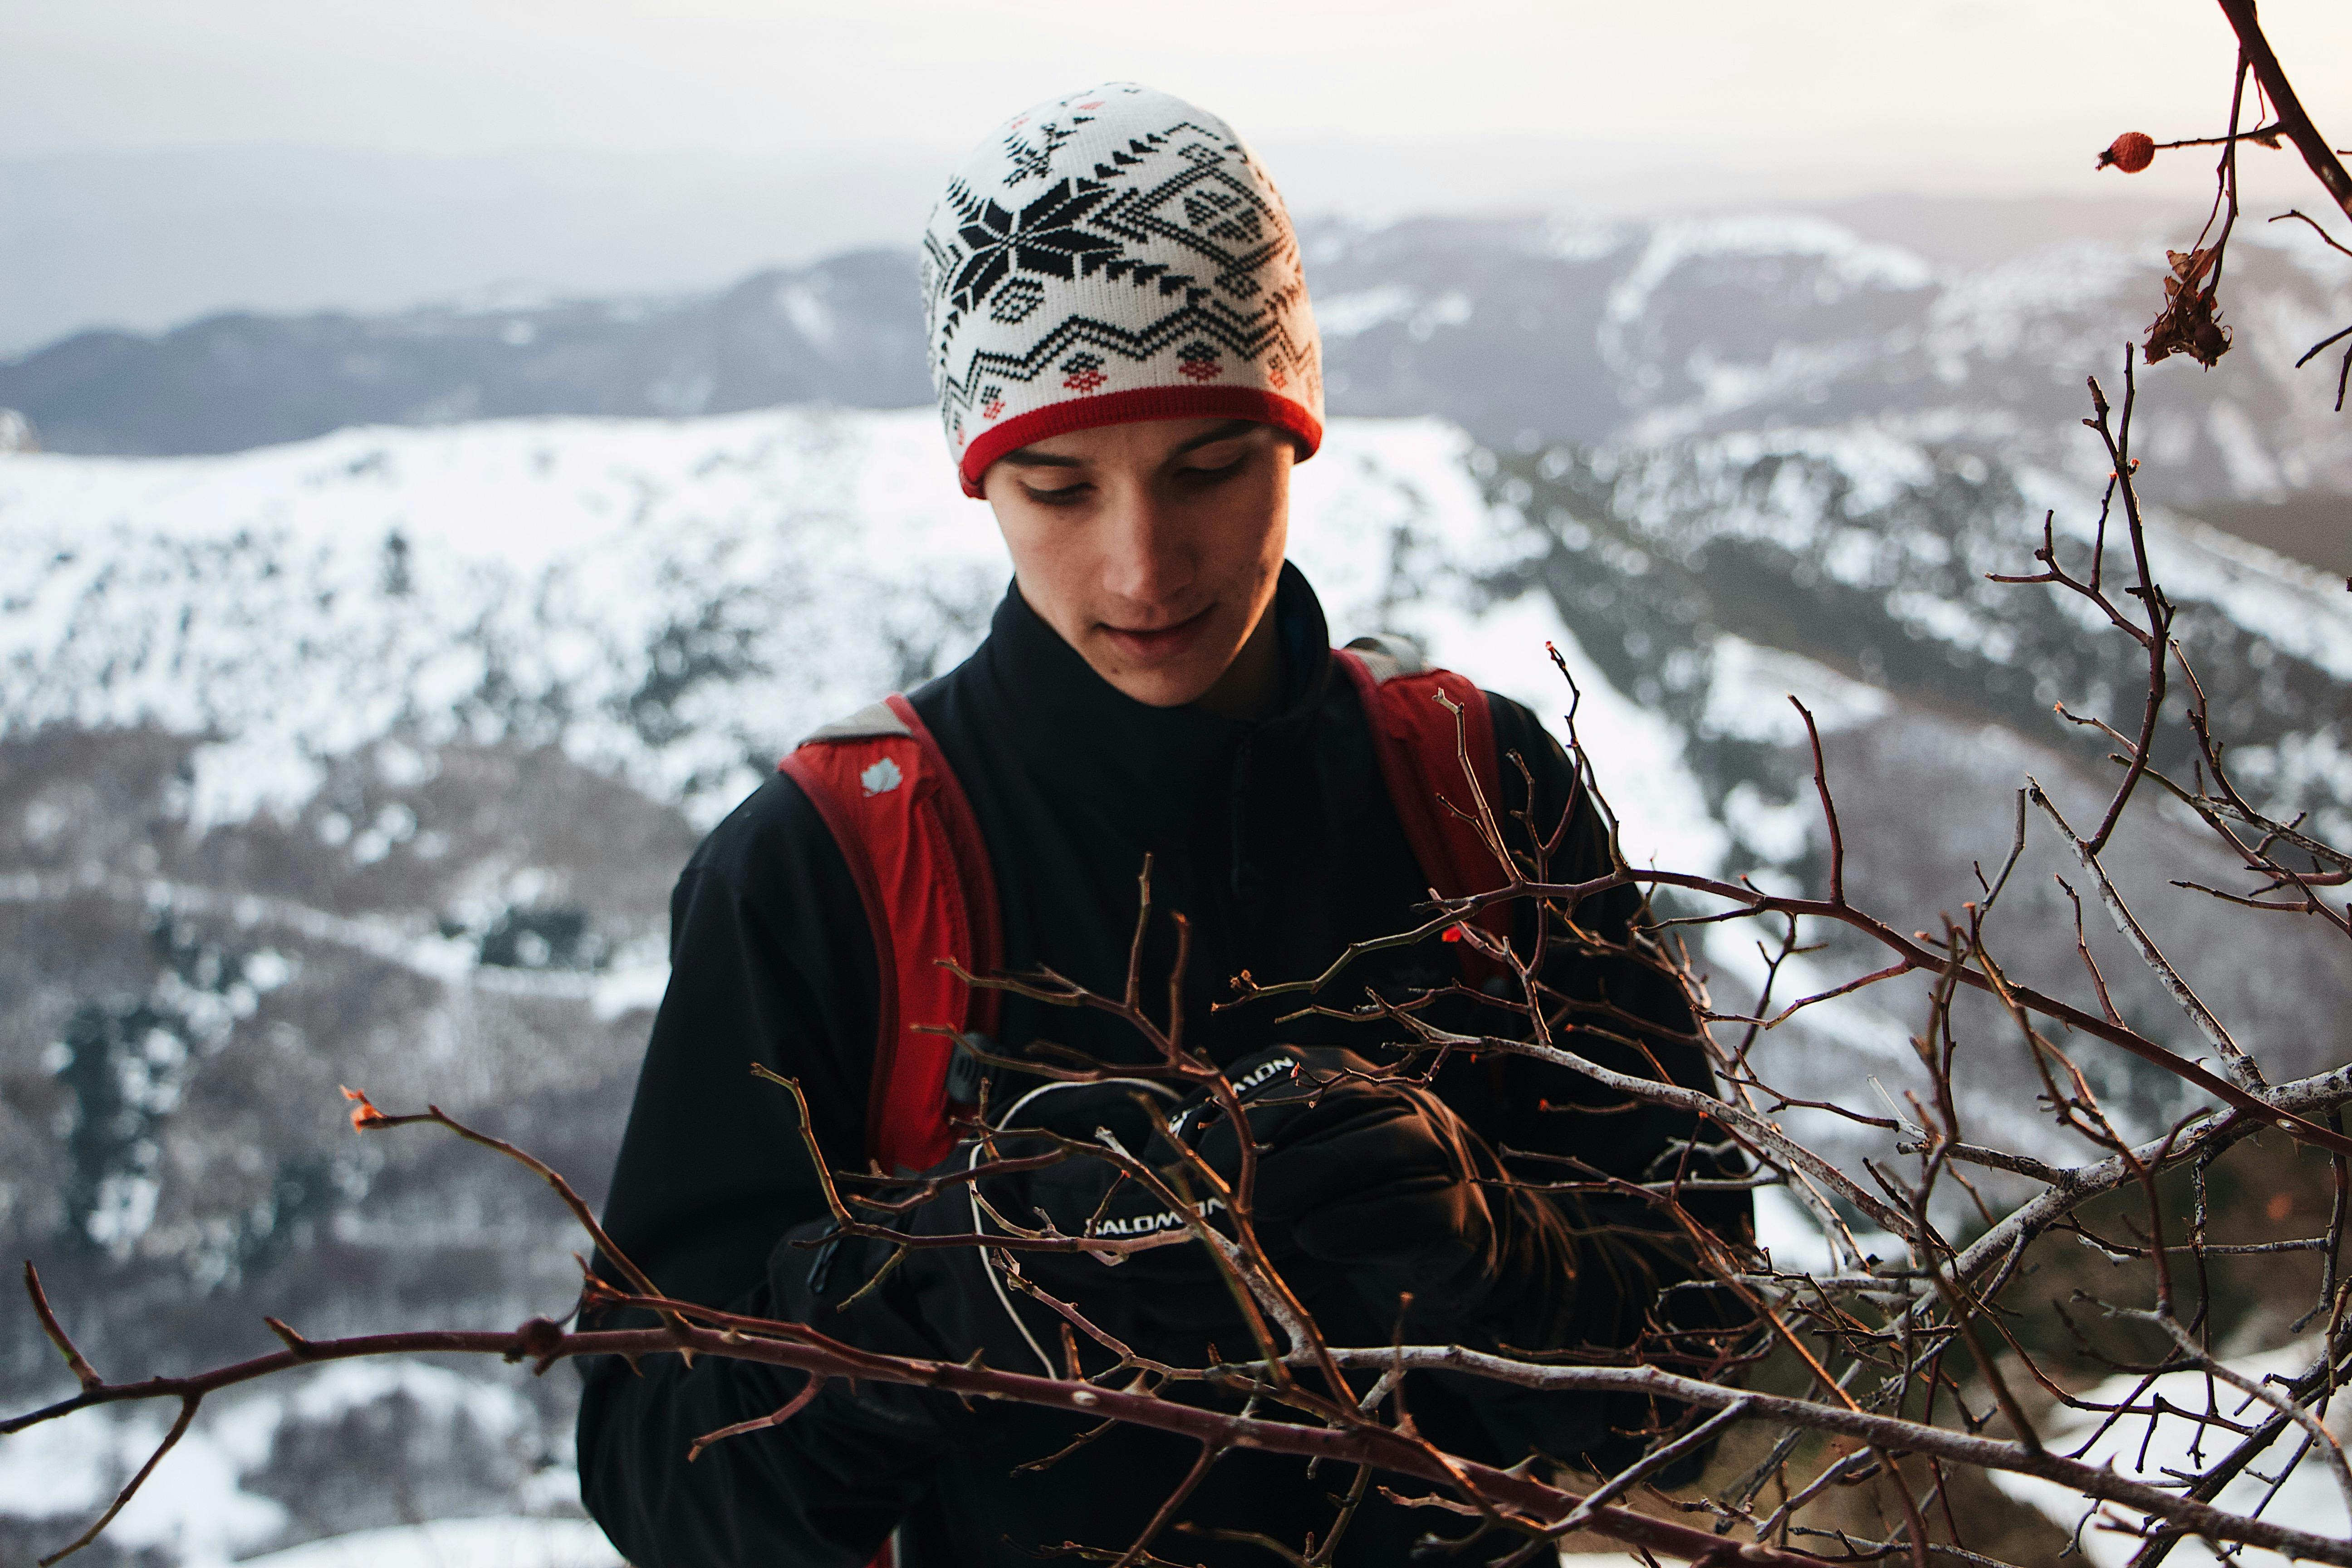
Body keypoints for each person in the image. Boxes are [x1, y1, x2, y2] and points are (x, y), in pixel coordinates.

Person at [577, 83, 1744, 1567]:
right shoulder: (826, 870)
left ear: (1297, 437)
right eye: (1059, 487)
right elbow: (657, 1481)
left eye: (1209, 467)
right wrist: (965, 1282)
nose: (1141, 567)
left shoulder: (1476, 789)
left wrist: (1495, 1259)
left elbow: (1711, 1352)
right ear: (982, 481)